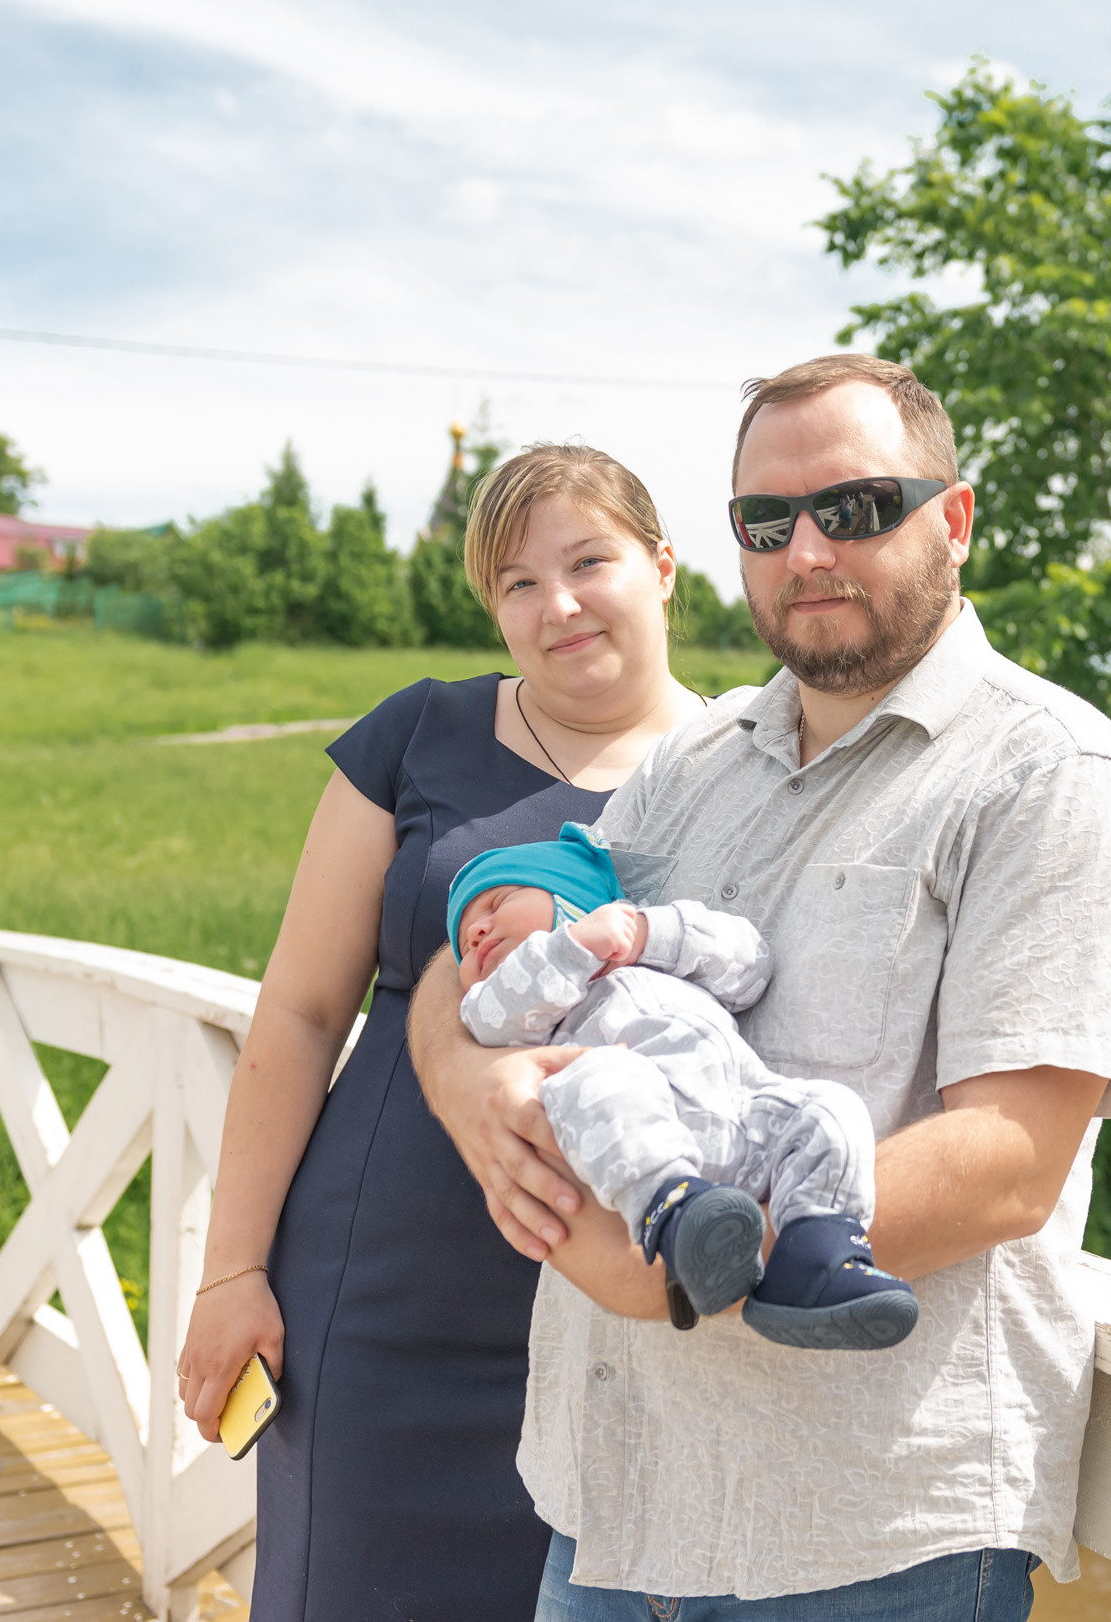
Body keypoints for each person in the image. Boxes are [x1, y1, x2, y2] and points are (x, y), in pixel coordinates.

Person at [409, 354, 1111, 1619]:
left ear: (956, 517)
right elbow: (482, 945)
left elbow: (1008, 1162)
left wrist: (657, 1264)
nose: (806, 549)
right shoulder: (691, 763)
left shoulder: (1054, 780)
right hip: (610, 1504)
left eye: (857, 507)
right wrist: (468, 1084)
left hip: (863, 1534)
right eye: (765, 523)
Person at [174, 444, 708, 1622]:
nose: (555, 603)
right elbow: (303, 1011)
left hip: (613, 1326)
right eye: (515, 581)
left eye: (587, 560)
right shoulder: (419, 734)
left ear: (663, 568)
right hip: (377, 1302)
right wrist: (232, 1269)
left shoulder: (738, 773)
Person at [444, 822, 919, 1349]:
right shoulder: (523, 1009)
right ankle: (677, 1217)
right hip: (642, 1134)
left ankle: (820, 1250)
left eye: (496, 903)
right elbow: (491, 1017)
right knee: (604, 1077)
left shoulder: (658, 958)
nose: (477, 931)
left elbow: (749, 967)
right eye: (464, 938)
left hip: (744, 1113)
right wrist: (571, 949)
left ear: (571, 897)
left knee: (828, 1109)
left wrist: (649, 933)